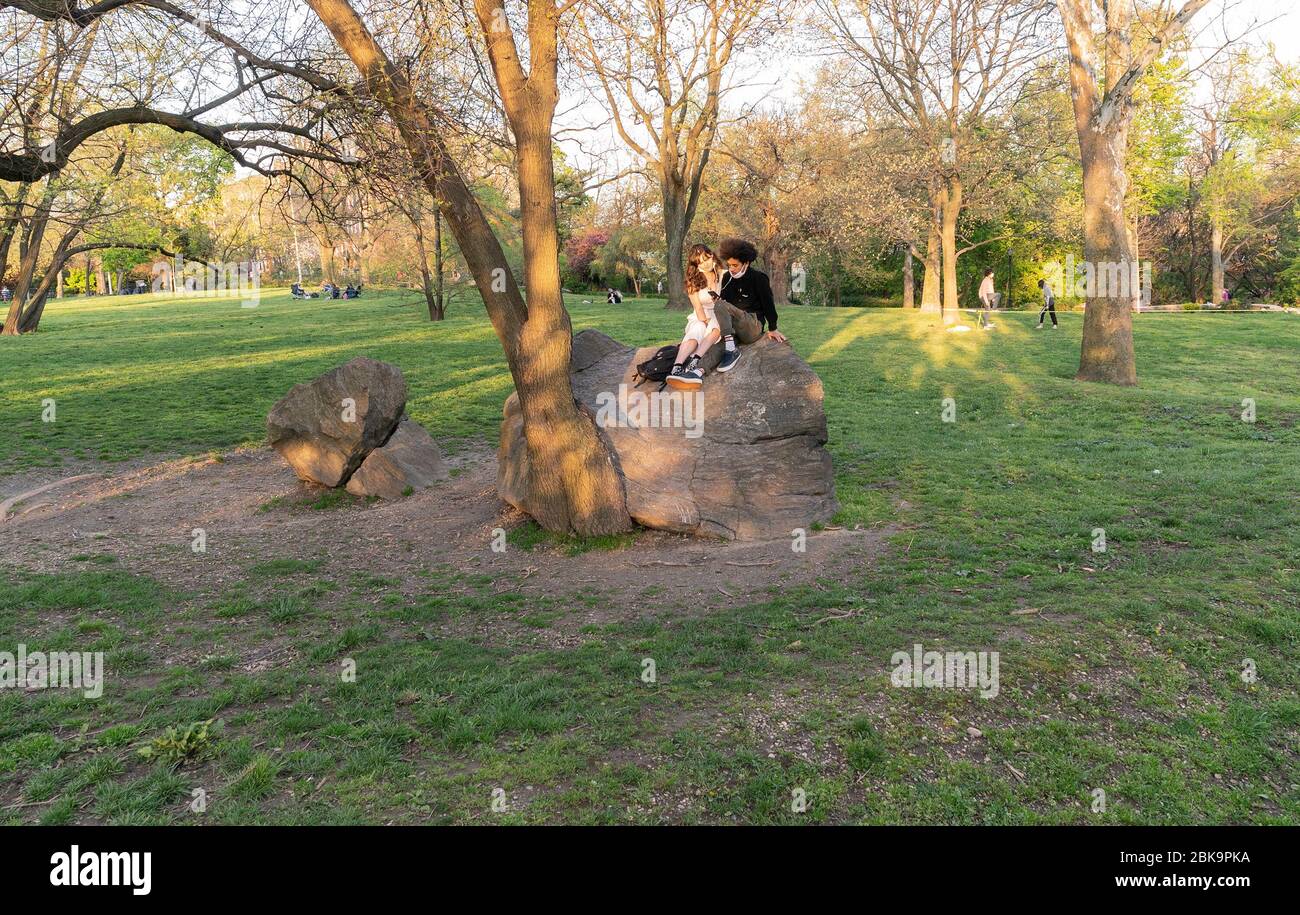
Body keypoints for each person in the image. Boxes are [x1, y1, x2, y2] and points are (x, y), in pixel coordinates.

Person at [714, 237, 785, 373]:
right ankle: (697, 371)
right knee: (715, 349)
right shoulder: (727, 278)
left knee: (720, 305)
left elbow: (768, 305)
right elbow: (725, 305)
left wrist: (773, 328)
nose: (731, 269)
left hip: (753, 326)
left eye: (735, 265)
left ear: (746, 263)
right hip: (735, 328)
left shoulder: (759, 278)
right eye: (729, 265)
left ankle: (731, 350)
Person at [666, 245, 723, 390]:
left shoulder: (723, 274)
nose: (705, 264)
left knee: (716, 325)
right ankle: (677, 366)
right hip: (701, 314)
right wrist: (705, 321)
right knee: (697, 329)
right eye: (700, 262)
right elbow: (698, 307)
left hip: (720, 312)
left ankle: (694, 361)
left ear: (712, 255)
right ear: (696, 265)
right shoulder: (693, 279)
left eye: (706, 259)